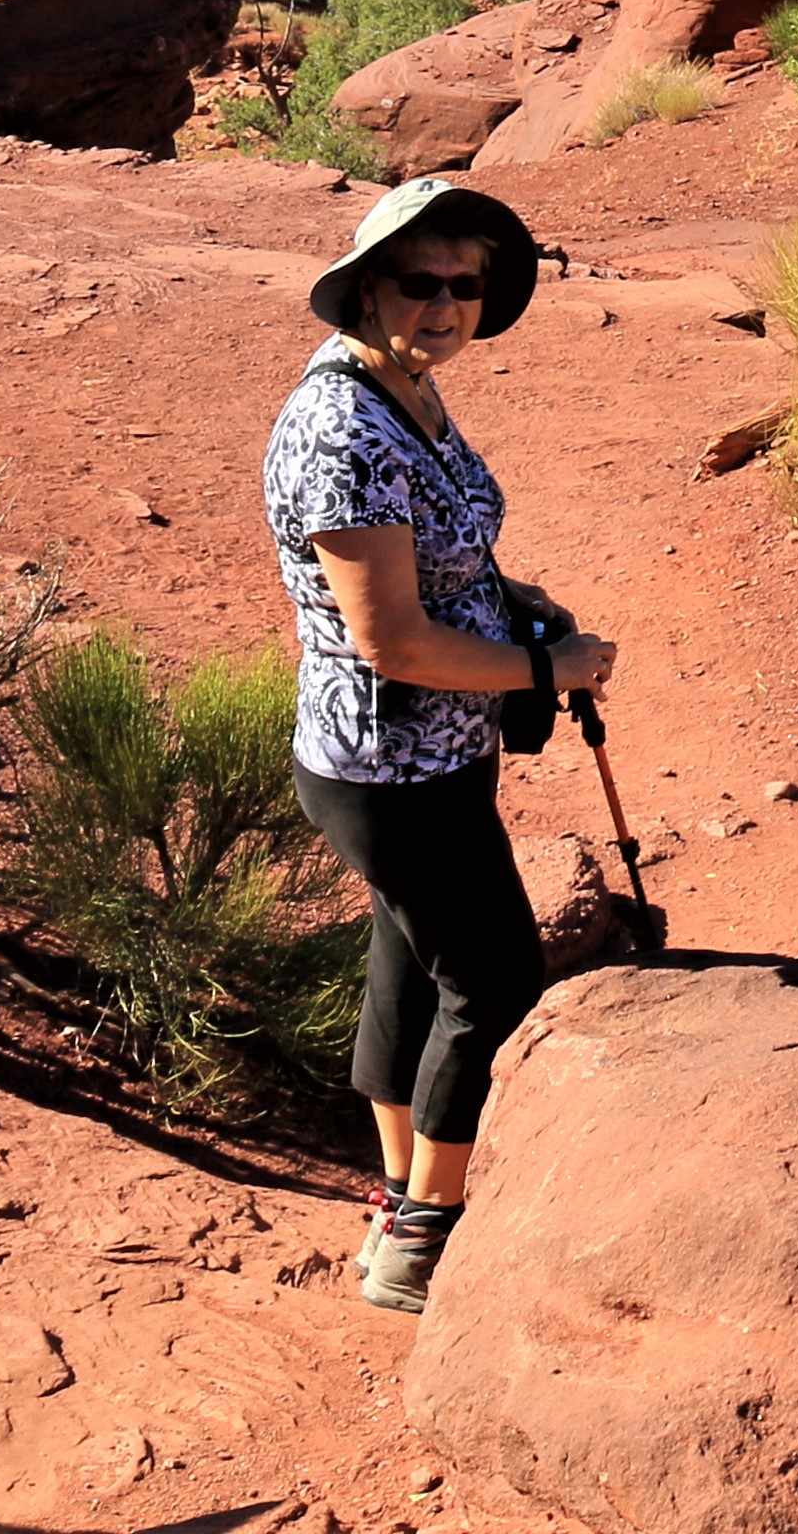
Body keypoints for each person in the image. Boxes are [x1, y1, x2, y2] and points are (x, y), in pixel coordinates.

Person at [263, 175, 603, 1316]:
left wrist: (513, 599)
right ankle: (425, 1238)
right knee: (495, 982)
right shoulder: (343, 428)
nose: (448, 305)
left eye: (469, 285)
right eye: (422, 283)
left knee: (409, 968)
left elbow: (430, 558)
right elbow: (394, 640)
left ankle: (402, 1189)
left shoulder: (405, 392)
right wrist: (553, 670)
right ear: (368, 289)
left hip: (429, 760)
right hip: (388, 769)